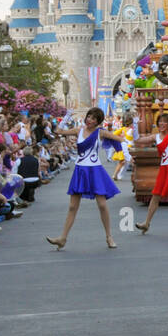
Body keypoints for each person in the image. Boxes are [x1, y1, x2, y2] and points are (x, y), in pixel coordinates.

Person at [47, 107, 121, 250]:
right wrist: (67, 116)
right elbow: (58, 131)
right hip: (80, 170)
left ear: (98, 121)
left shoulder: (101, 133)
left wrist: (126, 149)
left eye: (93, 118)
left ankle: (109, 236)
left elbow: (120, 139)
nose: (89, 120)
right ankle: (62, 238)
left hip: (95, 171)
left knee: (102, 205)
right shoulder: (79, 130)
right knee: (72, 206)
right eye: (88, 117)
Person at [132, 111, 168, 234]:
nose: (162, 123)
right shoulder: (156, 136)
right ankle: (146, 223)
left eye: (165, 121)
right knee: (156, 194)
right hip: (165, 167)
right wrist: (135, 123)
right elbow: (137, 140)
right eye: (160, 121)